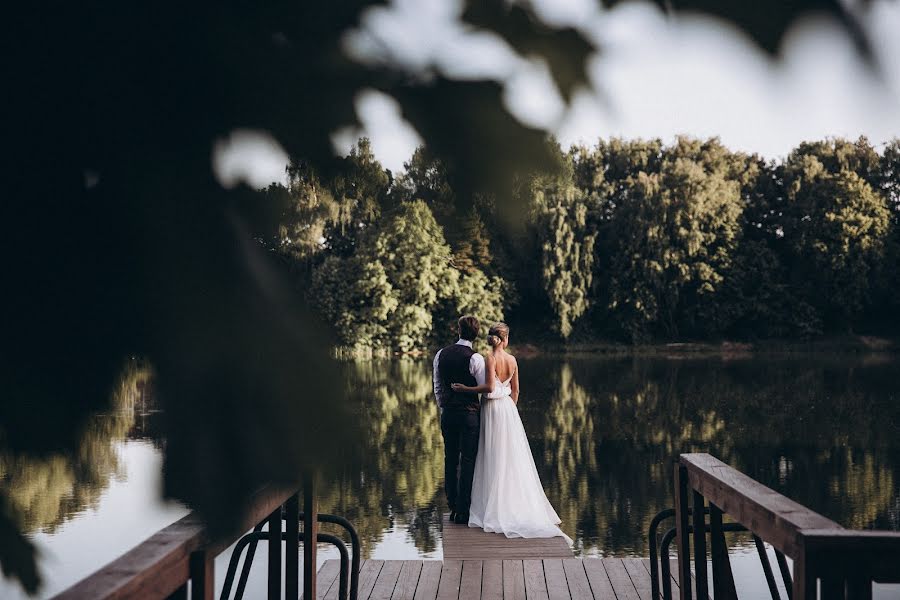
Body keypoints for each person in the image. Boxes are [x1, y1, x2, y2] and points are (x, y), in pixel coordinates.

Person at [451, 322, 570, 540]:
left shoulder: (490, 358)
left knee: (492, 455)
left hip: (491, 410)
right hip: (507, 410)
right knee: (509, 457)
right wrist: (509, 410)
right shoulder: (512, 359)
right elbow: (515, 390)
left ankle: (492, 504)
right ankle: (510, 502)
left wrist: (464, 388)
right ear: (505, 340)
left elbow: (488, 388)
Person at [433, 315, 486, 525]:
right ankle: (463, 510)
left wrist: (444, 405)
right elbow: (484, 389)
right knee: (468, 461)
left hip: (448, 414)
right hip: (469, 415)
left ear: (458, 330)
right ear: (476, 334)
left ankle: (453, 506)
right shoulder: (476, 358)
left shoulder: (440, 354)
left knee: (450, 459)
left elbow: (437, 385)